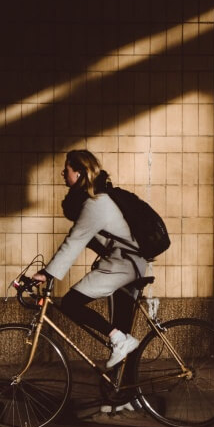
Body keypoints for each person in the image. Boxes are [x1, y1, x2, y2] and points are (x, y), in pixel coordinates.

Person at [32, 150, 147, 368]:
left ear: (79, 173)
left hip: (124, 265)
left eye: (66, 170)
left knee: (71, 303)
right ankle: (124, 396)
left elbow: (74, 241)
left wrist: (47, 274)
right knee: (122, 330)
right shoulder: (95, 200)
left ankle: (119, 340)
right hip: (127, 263)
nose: (62, 174)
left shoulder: (96, 204)